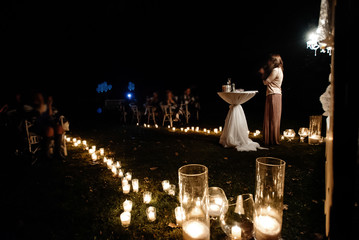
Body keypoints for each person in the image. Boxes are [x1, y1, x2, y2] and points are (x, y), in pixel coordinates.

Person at [29, 92, 65, 159]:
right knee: (49, 130)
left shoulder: (46, 106)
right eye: (39, 97)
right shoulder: (31, 107)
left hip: (48, 123)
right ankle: (46, 154)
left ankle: (57, 152)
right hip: (37, 125)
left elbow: (50, 116)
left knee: (59, 128)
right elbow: (36, 117)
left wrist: (49, 105)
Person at [260, 54, 284, 145]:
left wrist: (263, 74)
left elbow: (266, 82)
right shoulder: (280, 70)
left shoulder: (275, 70)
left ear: (273, 61)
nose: (268, 62)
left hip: (273, 94)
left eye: (269, 60)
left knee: (272, 117)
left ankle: (272, 139)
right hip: (276, 94)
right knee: (274, 117)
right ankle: (272, 138)